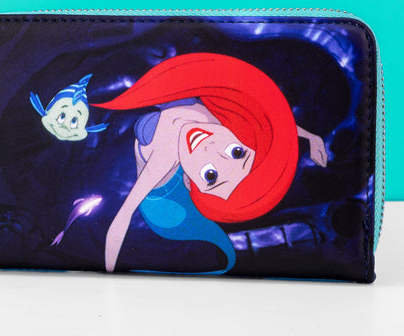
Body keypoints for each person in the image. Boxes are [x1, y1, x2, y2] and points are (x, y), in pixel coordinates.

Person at [93, 53, 328, 274]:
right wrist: (311, 137)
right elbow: (270, 127)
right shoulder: (218, 121)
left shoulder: (164, 157)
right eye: (236, 153)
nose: (211, 149)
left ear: (188, 180)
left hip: (160, 204)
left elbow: (121, 219)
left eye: (211, 175)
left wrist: (108, 278)